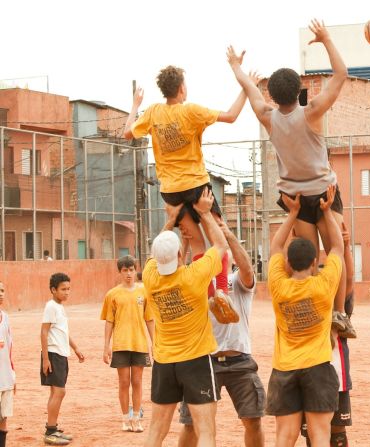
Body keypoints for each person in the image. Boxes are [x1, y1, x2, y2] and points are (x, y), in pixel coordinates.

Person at [226, 19, 355, 338]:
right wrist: (325, 39)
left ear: (272, 94)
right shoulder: (311, 111)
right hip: (324, 191)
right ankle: (339, 314)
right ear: (298, 91)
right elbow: (341, 74)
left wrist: (235, 67)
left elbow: (249, 88)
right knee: (335, 252)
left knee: (307, 259)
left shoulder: (267, 116)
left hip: (294, 198)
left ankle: (312, 312)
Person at [123, 64, 258, 318]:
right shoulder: (191, 111)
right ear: (182, 88)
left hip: (171, 191)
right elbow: (231, 116)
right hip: (196, 185)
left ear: (164, 90)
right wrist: (245, 86)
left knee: (197, 247)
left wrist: (134, 105)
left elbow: (127, 133)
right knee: (219, 240)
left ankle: (207, 298)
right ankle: (221, 293)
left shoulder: (153, 112)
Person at [142, 189, 227, 447]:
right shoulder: (193, 277)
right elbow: (220, 246)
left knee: (156, 431)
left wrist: (170, 221)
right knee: (205, 432)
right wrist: (204, 213)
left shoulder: (150, 277)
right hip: (196, 361)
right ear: (181, 253)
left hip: (165, 362)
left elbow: (157, 252)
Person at [266, 185, 343, 447]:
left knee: (284, 438)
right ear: (313, 264)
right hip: (318, 368)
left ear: (287, 264)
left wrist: (293, 213)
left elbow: (276, 246)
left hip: (284, 369)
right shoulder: (323, 286)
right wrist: (327, 211)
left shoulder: (278, 285)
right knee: (320, 436)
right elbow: (338, 249)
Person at [177, 224, 265, 447]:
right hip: (204, 360)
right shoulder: (197, 282)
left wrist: (228, 234)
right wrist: (185, 241)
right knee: (192, 424)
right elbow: (177, 276)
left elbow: (247, 269)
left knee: (253, 420)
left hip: (240, 360)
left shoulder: (238, 282)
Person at [302, 222, 355, 447]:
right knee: (312, 431)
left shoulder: (339, 309)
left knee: (337, 430)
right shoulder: (308, 296)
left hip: (336, 374)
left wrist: (345, 247)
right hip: (308, 371)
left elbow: (349, 279)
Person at [100, 256, 155, 433]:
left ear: (135, 270)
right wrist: (106, 346)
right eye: (125, 270)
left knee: (137, 381)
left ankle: (137, 418)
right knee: (124, 382)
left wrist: (155, 343)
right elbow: (109, 321)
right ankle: (125, 418)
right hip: (121, 344)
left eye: (131, 269)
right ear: (120, 272)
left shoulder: (144, 292)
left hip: (139, 344)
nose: (129, 273)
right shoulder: (112, 294)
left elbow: (149, 319)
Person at [40, 273, 85, 446]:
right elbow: (43, 332)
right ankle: (50, 431)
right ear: (53, 290)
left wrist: (75, 348)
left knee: (56, 392)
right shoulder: (51, 306)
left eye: (68, 289)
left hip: (61, 354)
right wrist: (46, 359)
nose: (67, 292)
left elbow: (63, 332)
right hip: (53, 355)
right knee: (59, 392)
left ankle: (53, 428)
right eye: (63, 289)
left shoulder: (59, 307)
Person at [0, 281, 16, 447]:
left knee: (3, 418)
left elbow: (10, 349)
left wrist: (12, 376)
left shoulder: (6, 317)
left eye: (3, 290)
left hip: (5, 379)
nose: (1, 294)